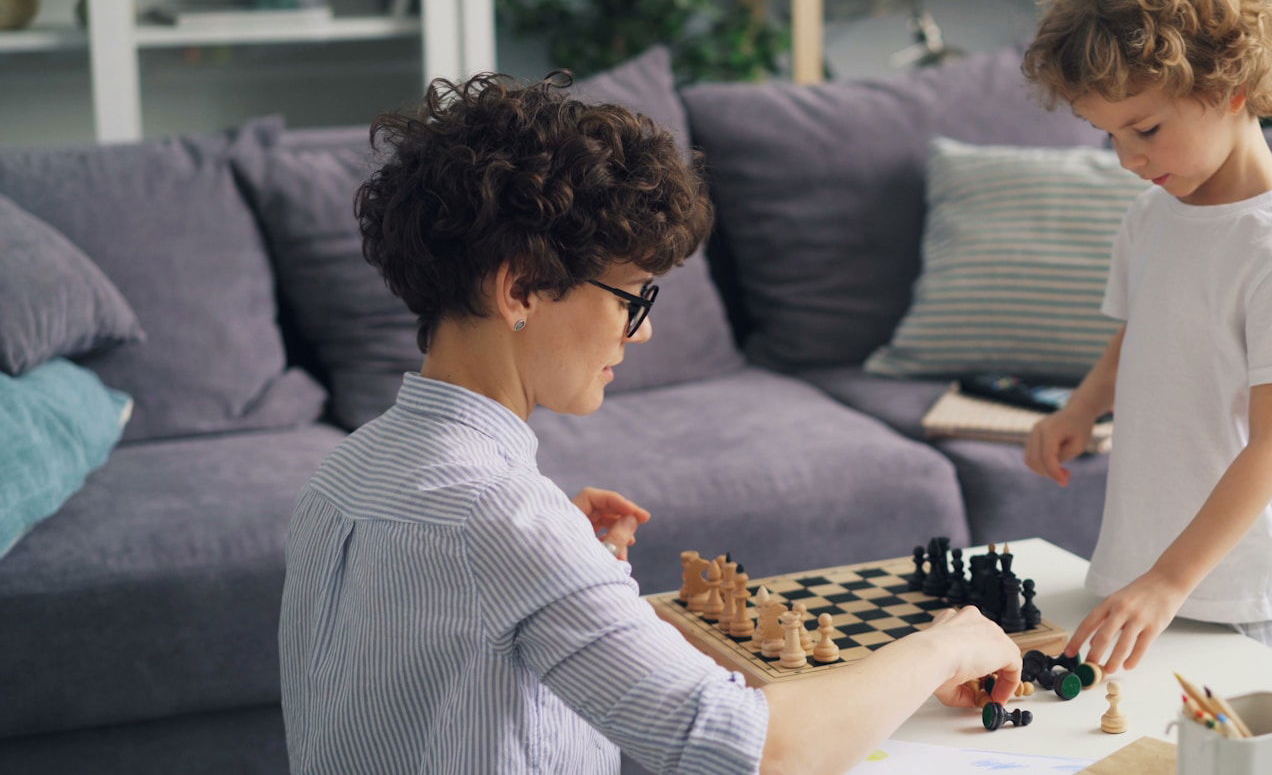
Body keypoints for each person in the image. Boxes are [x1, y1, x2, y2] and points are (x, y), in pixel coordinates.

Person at [277, 72, 1022, 774]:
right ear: (521, 289)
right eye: (632, 295)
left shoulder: (347, 473)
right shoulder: (501, 519)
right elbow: (762, 753)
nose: (640, 333)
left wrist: (556, 564)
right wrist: (943, 647)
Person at [1019, 0, 1272, 673]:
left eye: (1145, 130)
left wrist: (1172, 579)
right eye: (1109, 136)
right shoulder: (1152, 216)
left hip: (1239, 591)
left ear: (1228, 84)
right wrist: (1080, 405)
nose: (1128, 158)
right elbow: (1143, 331)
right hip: (1139, 564)